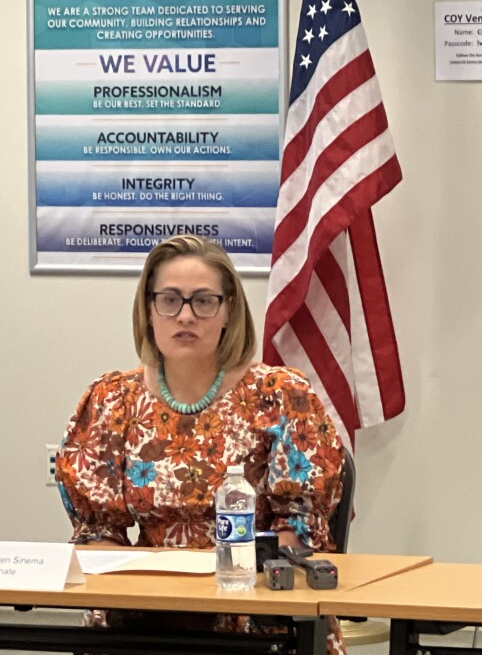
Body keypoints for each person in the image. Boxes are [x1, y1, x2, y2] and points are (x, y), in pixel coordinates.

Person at [56, 234, 347, 654]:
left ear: (228, 311)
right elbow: (99, 537)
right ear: (149, 311)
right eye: (170, 300)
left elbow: (299, 537)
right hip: (144, 611)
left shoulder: (281, 396)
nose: (185, 316)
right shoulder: (112, 401)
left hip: (257, 612)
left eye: (204, 301)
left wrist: (221, 577)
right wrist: (164, 587)